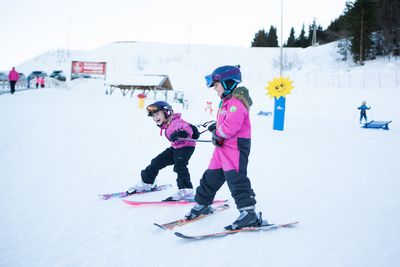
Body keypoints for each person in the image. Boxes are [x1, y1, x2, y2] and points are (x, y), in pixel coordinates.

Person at [185, 65, 264, 230]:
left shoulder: (236, 102)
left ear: (228, 82)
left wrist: (217, 133)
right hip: (223, 146)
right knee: (211, 176)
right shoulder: (227, 101)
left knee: (236, 178)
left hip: (235, 146)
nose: (215, 89)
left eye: (217, 84)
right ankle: (203, 204)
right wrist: (216, 129)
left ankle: (249, 213)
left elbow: (231, 126)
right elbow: (224, 124)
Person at [127, 101, 200, 201]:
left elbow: (187, 128)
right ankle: (147, 182)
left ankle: (186, 189)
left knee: (180, 166)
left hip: (186, 148)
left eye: (157, 114)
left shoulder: (177, 122)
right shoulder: (167, 125)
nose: (155, 117)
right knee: (156, 162)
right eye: (153, 116)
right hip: (175, 148)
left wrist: (182, 133)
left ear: (167, 112)